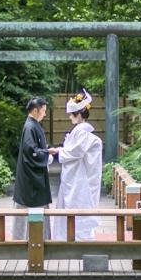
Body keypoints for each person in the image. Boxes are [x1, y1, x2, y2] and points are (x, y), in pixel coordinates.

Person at [50, 89, 103, 241]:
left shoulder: (82, 132)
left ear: (78, 115)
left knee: (79, 204)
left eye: (72, 114)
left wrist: (59, 152)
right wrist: (60, 151)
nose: (69, 117)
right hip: (77, 176)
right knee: (74, 205)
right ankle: (71, 235)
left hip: (80, 178)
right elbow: (73, 151)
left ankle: (77, 237)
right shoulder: (81, 131)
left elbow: (76, 152)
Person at [12, 97, 54, 240]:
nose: (45, 114)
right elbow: (31, 151)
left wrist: (46, 152)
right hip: (30, 179)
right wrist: (47, 153)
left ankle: (36, 239)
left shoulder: (33, 125)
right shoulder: (30, 126)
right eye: (43, 111)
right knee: (29, 208)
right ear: (35, 110)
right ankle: (31, 240)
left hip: (31, 176)